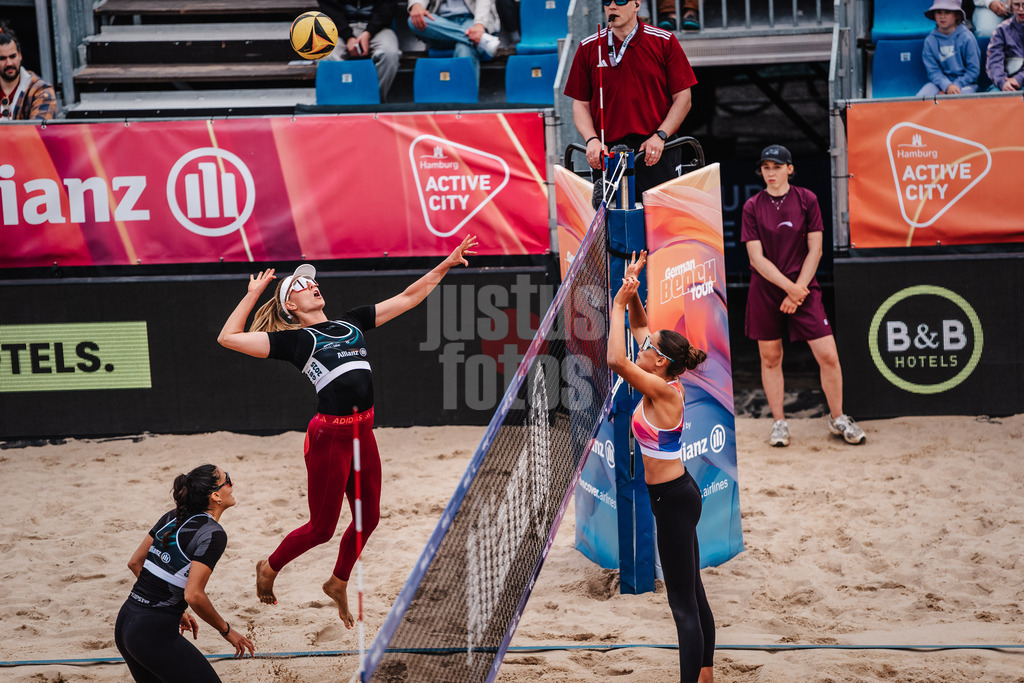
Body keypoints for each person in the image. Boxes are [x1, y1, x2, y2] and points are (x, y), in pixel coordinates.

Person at [217, 235, 477, 627]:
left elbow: (407, 298)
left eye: (312, 281)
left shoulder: (350, 323)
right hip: (329, 437)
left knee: (368, 518)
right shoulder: (294, 341)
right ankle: (268, 567)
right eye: (301, 286)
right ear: (291, 305)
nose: (311, 285)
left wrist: (444, 263)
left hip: (364, 433)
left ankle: (337, 582)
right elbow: (228, 338)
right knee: (321, 529)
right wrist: (254, 293)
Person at [607, 251, 715, 683]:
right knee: (695, 593)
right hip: (676, 494)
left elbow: (616, 359)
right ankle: (706, 673)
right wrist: (632, 291)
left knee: (682, 605)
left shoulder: (664, 392)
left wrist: (615, 305)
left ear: (661, 362)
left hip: (673, 502)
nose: (643, 347)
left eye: (649, 350)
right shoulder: (662, 374)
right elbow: (641, 327)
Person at [741, 145, 866, 448]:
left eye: (777, 166)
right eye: (766, 167)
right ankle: (779, 423)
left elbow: (816, 249)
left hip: (804, 287)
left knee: (828, 356)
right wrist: (791, 289)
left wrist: (798, 291)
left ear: (790, 169)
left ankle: (837, 417)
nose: (770, 173)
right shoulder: (752, 206)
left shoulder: (807, 199)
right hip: (769, 289)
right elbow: (756, 259)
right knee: (771, 359)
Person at [115, 465, 255, 682]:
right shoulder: (213, 534)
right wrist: (227, 631)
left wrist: (171, 605)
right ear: (216, 495)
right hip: (152, 633)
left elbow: (135, 562)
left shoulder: (172, 516)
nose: (232, 483)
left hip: (126, 622)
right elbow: (194, 595)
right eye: (227, 480)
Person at [563, 0, 697, 197]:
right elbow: (580, 104)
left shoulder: (664, 41)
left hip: (655, 149)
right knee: (610, 224)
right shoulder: (588, 46)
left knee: (661, 224)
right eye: (606, 1)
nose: (612, 6)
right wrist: (591, 139)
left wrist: (661, 136)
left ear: (637, 4)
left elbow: (684, 98)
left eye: (621, 0)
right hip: (608, 151)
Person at [318, 0, 401, 101]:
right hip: (338, 29)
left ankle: (375, 100)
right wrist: (348, 36)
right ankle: (339, 102)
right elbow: (330, 10)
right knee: (326, 54)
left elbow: (387, 8)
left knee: (389, 53)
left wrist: (369, 32)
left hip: (377, 28)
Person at [407, 0, 500, 84]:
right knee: (413, 21)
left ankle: (465, 100)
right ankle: (479, 38)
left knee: (464, 48)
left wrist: (479, 25)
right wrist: (416, 5)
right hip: (441, 24)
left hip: (472, 19)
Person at [917, 0, 980, 97]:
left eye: (947, 12)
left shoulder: (967, 37)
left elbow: (973, 71)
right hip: (938, 84)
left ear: (957, 15)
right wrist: (946, 86)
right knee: (921, 98)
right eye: (939, 12)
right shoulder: (930, 41)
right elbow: (933, 72)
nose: (942, 16)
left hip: (965, 84)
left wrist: (955, 86)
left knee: (961, 101)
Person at [0, 30, 56, 121]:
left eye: (12, 56)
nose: (9, 63)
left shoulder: (40, 91)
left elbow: (38, 132)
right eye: (2, 58)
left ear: (20, 55)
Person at [986, 0, 1024, 91]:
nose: (1021, 9)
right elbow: (994, 61)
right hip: (1005, 82)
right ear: (1011, 6)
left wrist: (1019, 79)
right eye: (1016, 5)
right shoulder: (1001, 30)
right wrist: (1002, 82)